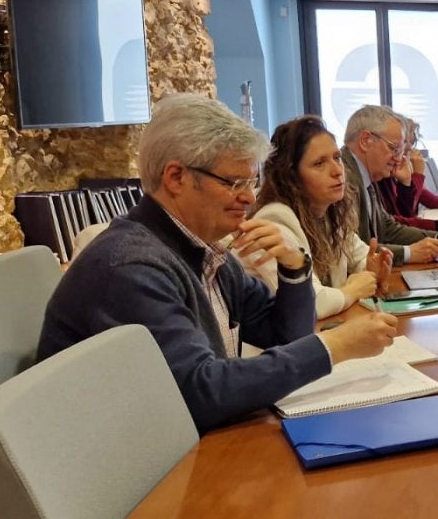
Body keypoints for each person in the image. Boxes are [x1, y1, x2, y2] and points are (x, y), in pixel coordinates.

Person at [37, 94, 399, 433]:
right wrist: (334, 346)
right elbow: (200, 393)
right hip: (122, 468)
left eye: (252, 181)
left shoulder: (206, 249)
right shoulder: (130, 266)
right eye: (234, 182)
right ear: (176, 177)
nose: (248, 197)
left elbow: (286, 336)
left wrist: (294, 270)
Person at [243, 115, 392, 318]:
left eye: (337, 157)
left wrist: (373, 268)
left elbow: (361, 256)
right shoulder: (273, 220)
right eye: (319, 163)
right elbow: (312, 304)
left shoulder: (328, 209)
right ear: (291, 176)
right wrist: (352, 290)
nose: (337, 171)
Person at [342, 105, 438, 265]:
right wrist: (409, 253)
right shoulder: (343, 180)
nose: (399, 159)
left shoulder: (366, 175)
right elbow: (353, 251)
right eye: (394, 149)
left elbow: (387, 228)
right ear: (365, 141)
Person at [375, 114, 438, 233]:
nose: (402, 158)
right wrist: (416, 176)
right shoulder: (380, 176)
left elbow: (417, 195)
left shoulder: (390, 175)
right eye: (399, 150)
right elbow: (402, 218)